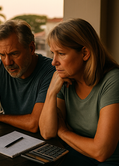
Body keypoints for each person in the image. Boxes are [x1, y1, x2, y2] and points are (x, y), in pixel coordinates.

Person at [39, 18, 119, 165]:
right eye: (53, 53)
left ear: (85, 53)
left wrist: (63, 132)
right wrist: (51, 92)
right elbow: (47, 132)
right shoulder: (65, 78)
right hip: (73, 156)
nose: (54, 62)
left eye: (61, 53)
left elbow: (101, 152)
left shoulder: (113, 80)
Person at [0, 19, 55, 133]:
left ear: (31, 48)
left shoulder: (51, 71)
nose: (8, 62)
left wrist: (0, 117)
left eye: (14, 54)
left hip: (44, 143)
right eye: (2, 55)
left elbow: (34, 124)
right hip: (10, 137)